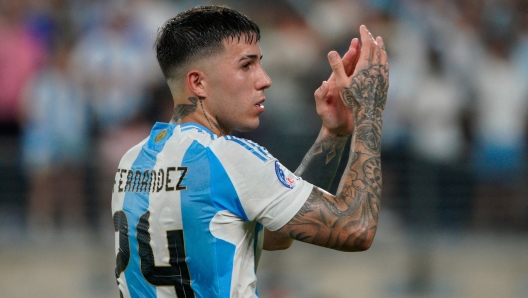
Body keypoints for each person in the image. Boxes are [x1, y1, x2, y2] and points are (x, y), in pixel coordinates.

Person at [111, 5, 388, 298]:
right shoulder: (230, 158)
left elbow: (275, 233)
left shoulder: (131, 162)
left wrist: (334, 134)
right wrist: (369, 112)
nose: (264, 79)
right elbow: (357, 228)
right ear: (198, 82)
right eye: (247, 65)